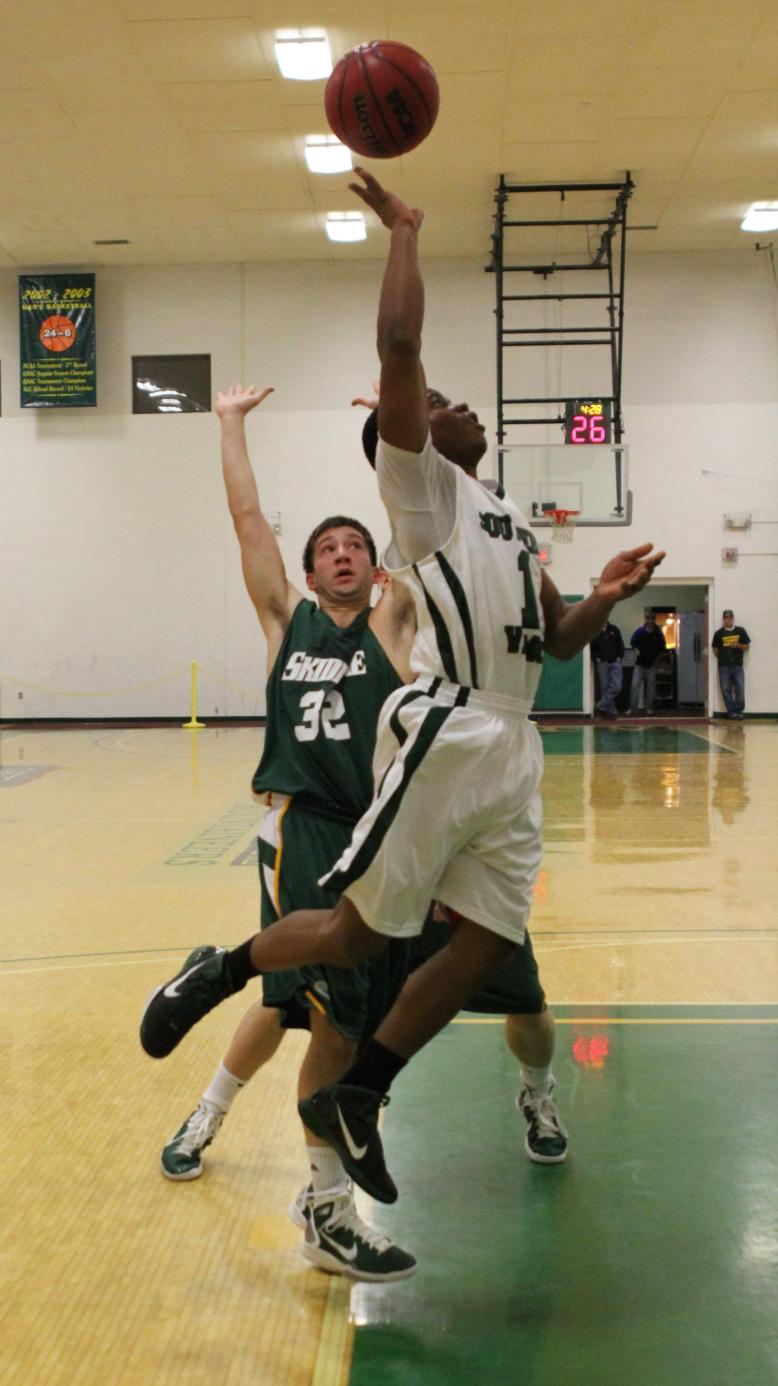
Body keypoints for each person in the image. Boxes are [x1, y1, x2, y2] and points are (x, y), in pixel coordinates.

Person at [140, 169, 664, 1205]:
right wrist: (406, 235)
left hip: (515, 743)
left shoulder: (505, 519)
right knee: (355, 933)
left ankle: (362, 1091)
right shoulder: (424, 496)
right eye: (441, 408)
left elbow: (556, 637)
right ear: (404, 445)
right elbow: (402, 352)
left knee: (493, 939)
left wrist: (602, 595)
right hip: (452, 726)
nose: (462, 408)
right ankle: (226, 964)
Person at [161, 382, 419, 1282]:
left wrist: (394, 433)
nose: (342, 554)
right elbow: (246, 523)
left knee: (320, 1016)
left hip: (377, 838)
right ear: (308, 576)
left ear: (376, 571)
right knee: (323, 1016)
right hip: (303, 831)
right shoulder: (287, 622)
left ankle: (296, 1177)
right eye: (326, 549)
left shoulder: (393, 621)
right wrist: (228, 423)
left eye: (356, 546)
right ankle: (324, 1210)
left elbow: (418, 518)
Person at [712, 609, 750, 719]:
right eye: (726, 618)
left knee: (740, 688)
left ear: (733, 618)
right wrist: (723, 657)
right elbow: (715, 650)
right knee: (725, 689)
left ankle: (739, 711)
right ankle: (732, 712)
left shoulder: (741, 631)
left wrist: (738, 645)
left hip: (738, 665)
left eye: (730, 617)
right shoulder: (718, 634)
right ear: (723, 619)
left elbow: (747, 647)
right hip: (724, 666)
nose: (728, 620)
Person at [629, 611, 666, 716]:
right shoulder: (639, 632)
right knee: (635, 685)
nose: (649, 621)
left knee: (651, 688)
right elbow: (632, 643)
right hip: (639, 664)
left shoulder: (658, 634)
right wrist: (636, 651)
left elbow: (662, 649)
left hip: (652, 664)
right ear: (646, 620)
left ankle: (649, 708)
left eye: (651, 619)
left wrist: (656, 660)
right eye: (648, 619)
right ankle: (633, 709)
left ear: (654, 621)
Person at [590, 620, 625, 718]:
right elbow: (591, 648)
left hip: (615, 661)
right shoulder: (595, 631)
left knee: (617, 686)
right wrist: (596, 658)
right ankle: (612, 712)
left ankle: (600, 706)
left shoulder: (614, 629)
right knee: (604, 687)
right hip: (602, 662)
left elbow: (620, 644)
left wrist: (619, 656)